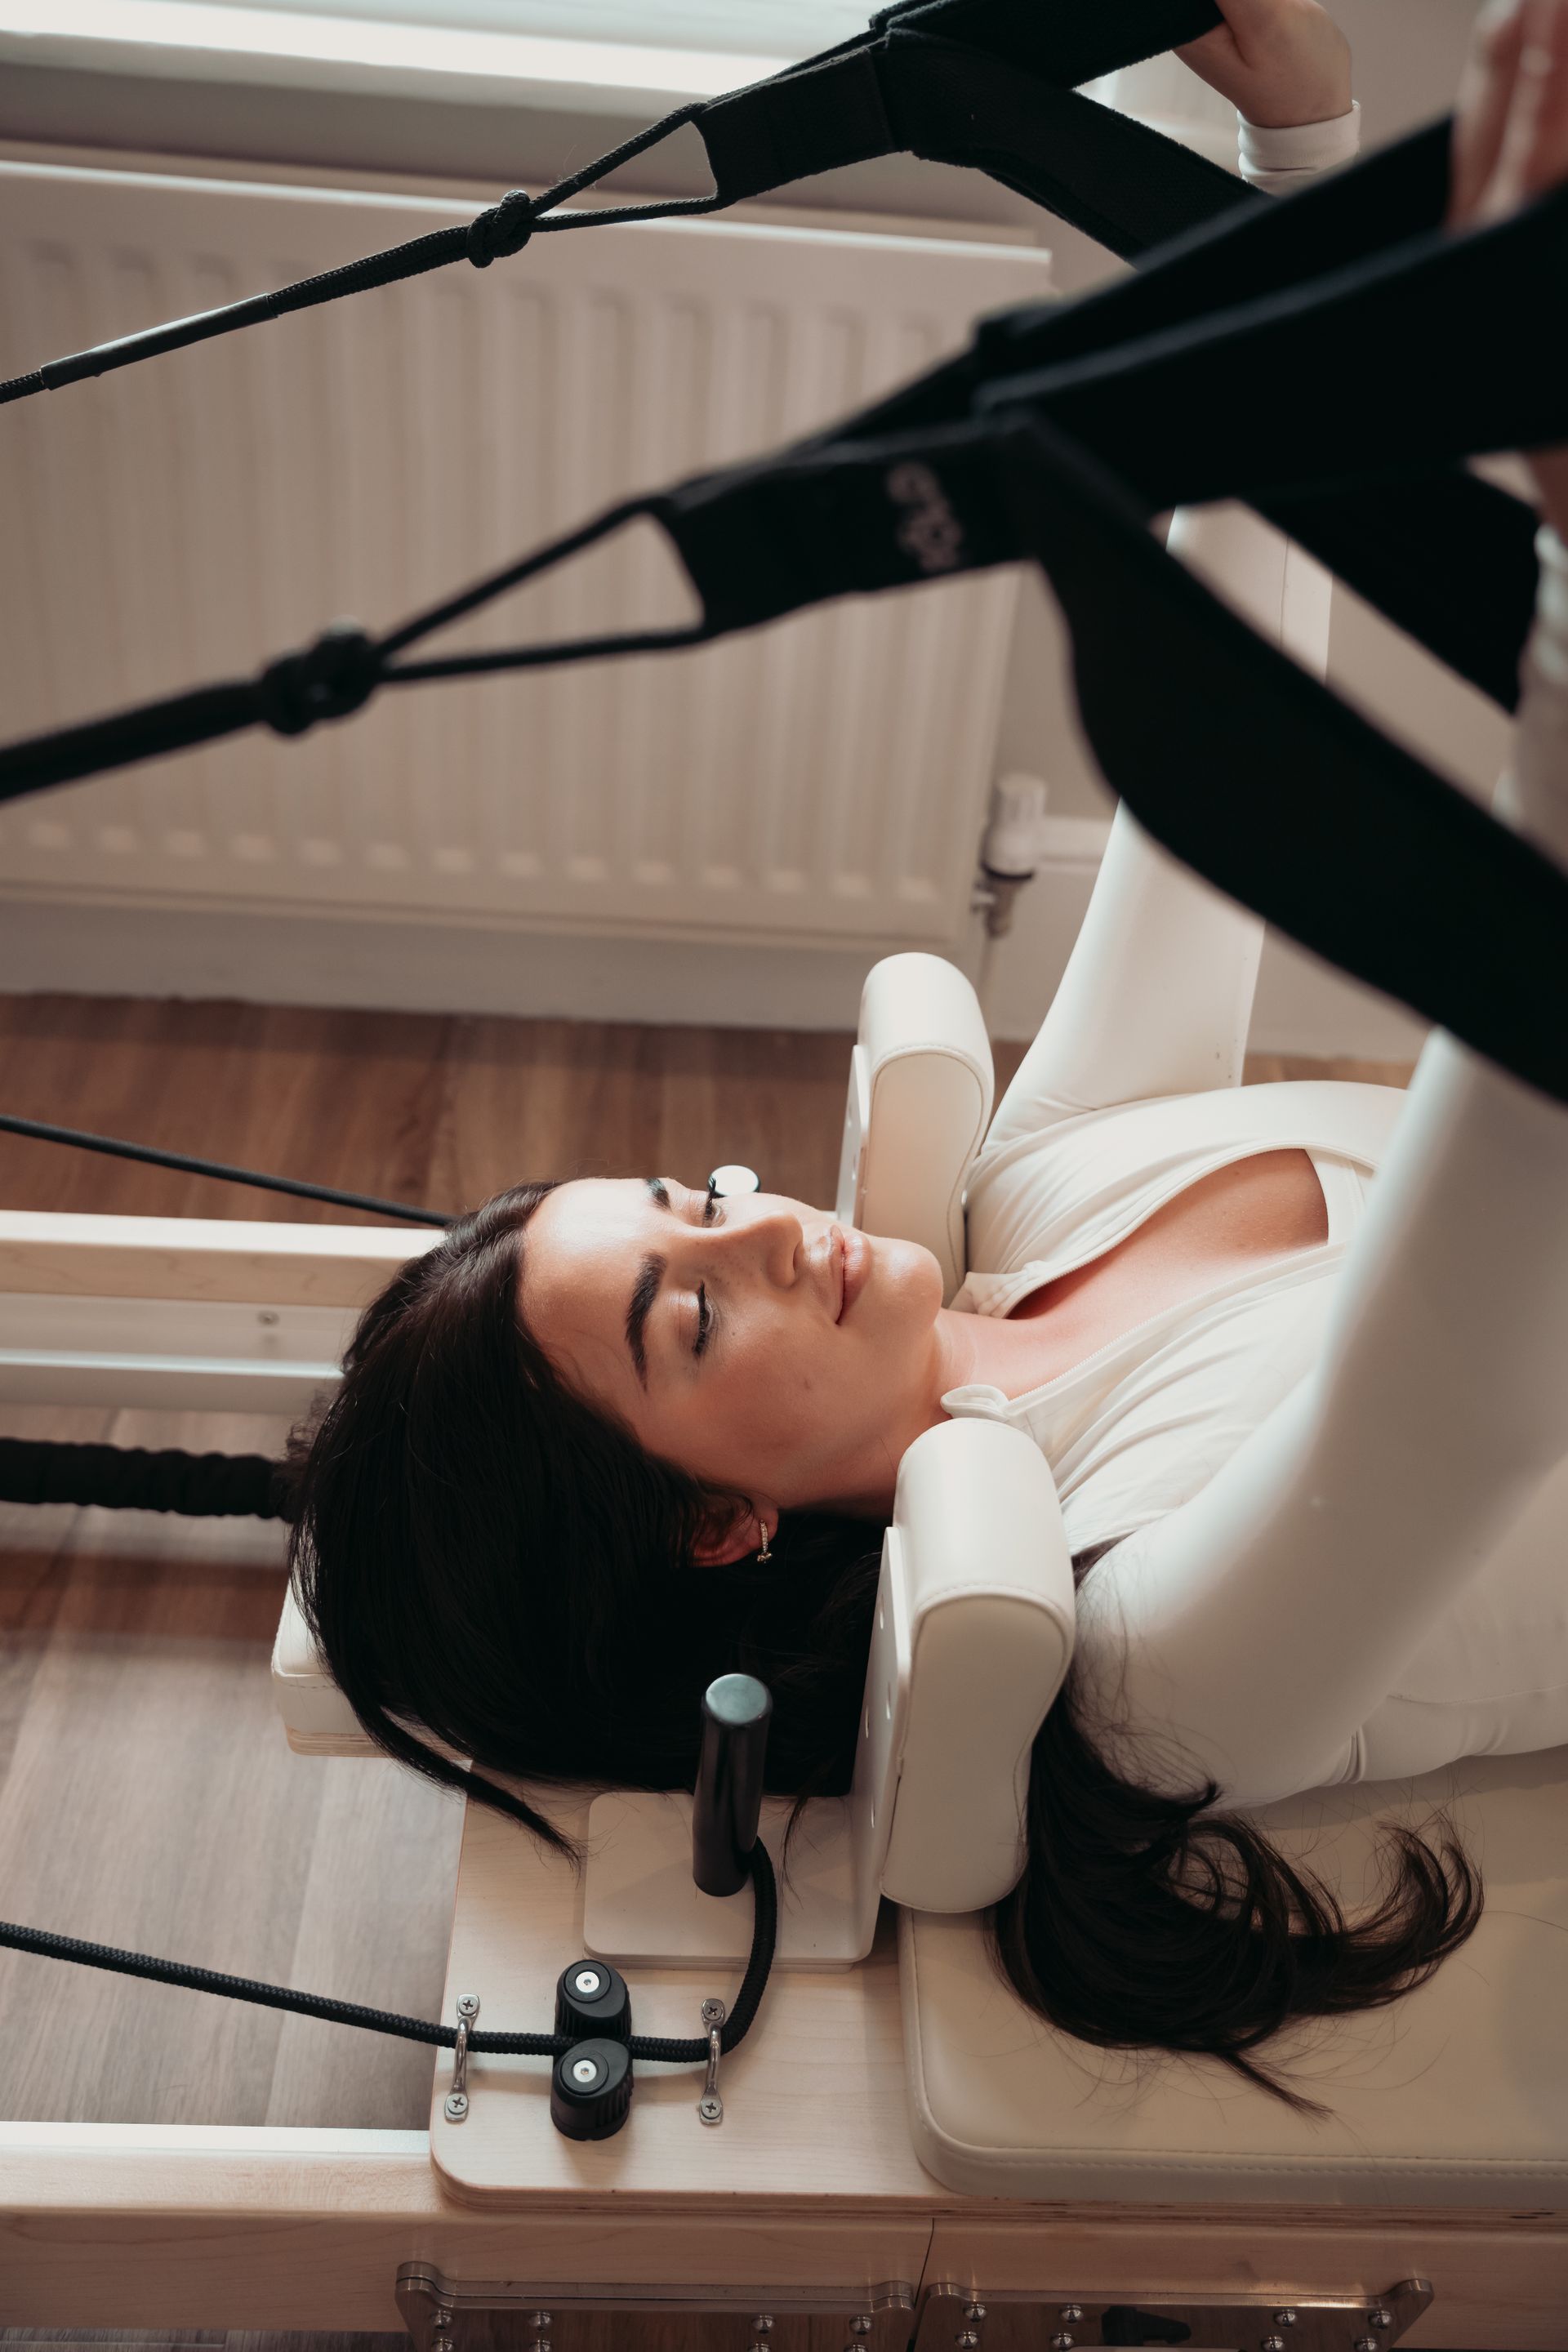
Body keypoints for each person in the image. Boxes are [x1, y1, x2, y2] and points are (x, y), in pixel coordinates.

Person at [289, 0, 1568, 2113]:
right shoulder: (1133, 1645)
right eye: (693, 1314)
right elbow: (1476, 1369)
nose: (765, 1225)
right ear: (717, 1530)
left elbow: (1213, 760)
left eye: (693, 1202)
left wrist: (1295, 148)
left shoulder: (1029, 1206)